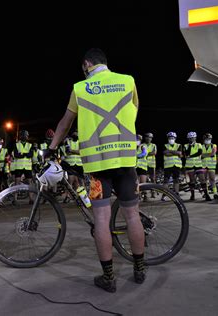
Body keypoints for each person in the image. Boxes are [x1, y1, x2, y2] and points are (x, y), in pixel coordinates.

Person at [48, 48, 145, 292]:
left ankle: (109, 278)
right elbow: (134, 110)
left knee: (101, 219)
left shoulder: (80, 88)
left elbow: (64, 123)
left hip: (97, 166)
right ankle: (140, 269)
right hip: (125, 161)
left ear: (87, 64)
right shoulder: (127, 81)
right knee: (132, 215)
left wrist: (51, 148)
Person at [183, 132, 211, 201]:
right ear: (188, 139)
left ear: (195, 138)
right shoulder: (185, 146)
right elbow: (186, 153)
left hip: (198, 165)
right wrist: (190, 146)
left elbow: (199, 153)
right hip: (189, 166)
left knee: (202, 180)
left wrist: (190, 156)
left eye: (193, 138)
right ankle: (192, 195)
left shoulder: (199, 145)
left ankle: (207, 195)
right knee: (192, 181)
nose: (191, 139)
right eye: (190, 138)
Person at [13, 130, 35, 202]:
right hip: (18, 167)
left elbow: (30, 155)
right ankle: (15, 199)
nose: (25, 137)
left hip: (27, 167)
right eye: (23, 135)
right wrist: (26, 154)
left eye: (26, 135)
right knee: (17, 183)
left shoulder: (30, 145)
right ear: (20, 136)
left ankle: (31, 199)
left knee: (30, 183)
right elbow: (16, 155)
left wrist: (22, 153)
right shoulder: (16, 144)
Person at [201, 133, 218, 200]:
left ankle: (215, 194)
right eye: (206, 139)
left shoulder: (214, 145)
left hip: (211, 165)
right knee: (205, 180)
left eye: (209, 139)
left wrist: (204, 155)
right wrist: (208, 154)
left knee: (212, 179)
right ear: (204, 139)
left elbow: (213, 153)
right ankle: (206, 194)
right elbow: (200, 155)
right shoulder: (201, 146)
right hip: (203, 165)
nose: (208, 140)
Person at [163, 132, 182, 198]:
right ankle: (164, 194)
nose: (171, 139)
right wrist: (175, 152)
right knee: (166, 180)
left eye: (173, 138)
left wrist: (170, 151)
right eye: (170, 138)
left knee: (176, 180)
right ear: (168, 138)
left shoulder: (179, 145)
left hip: (176, 165)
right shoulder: (165, 145)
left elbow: (179, 153)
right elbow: (165, 153)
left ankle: (176, 194)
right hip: (167, 166)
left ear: (175, 138)